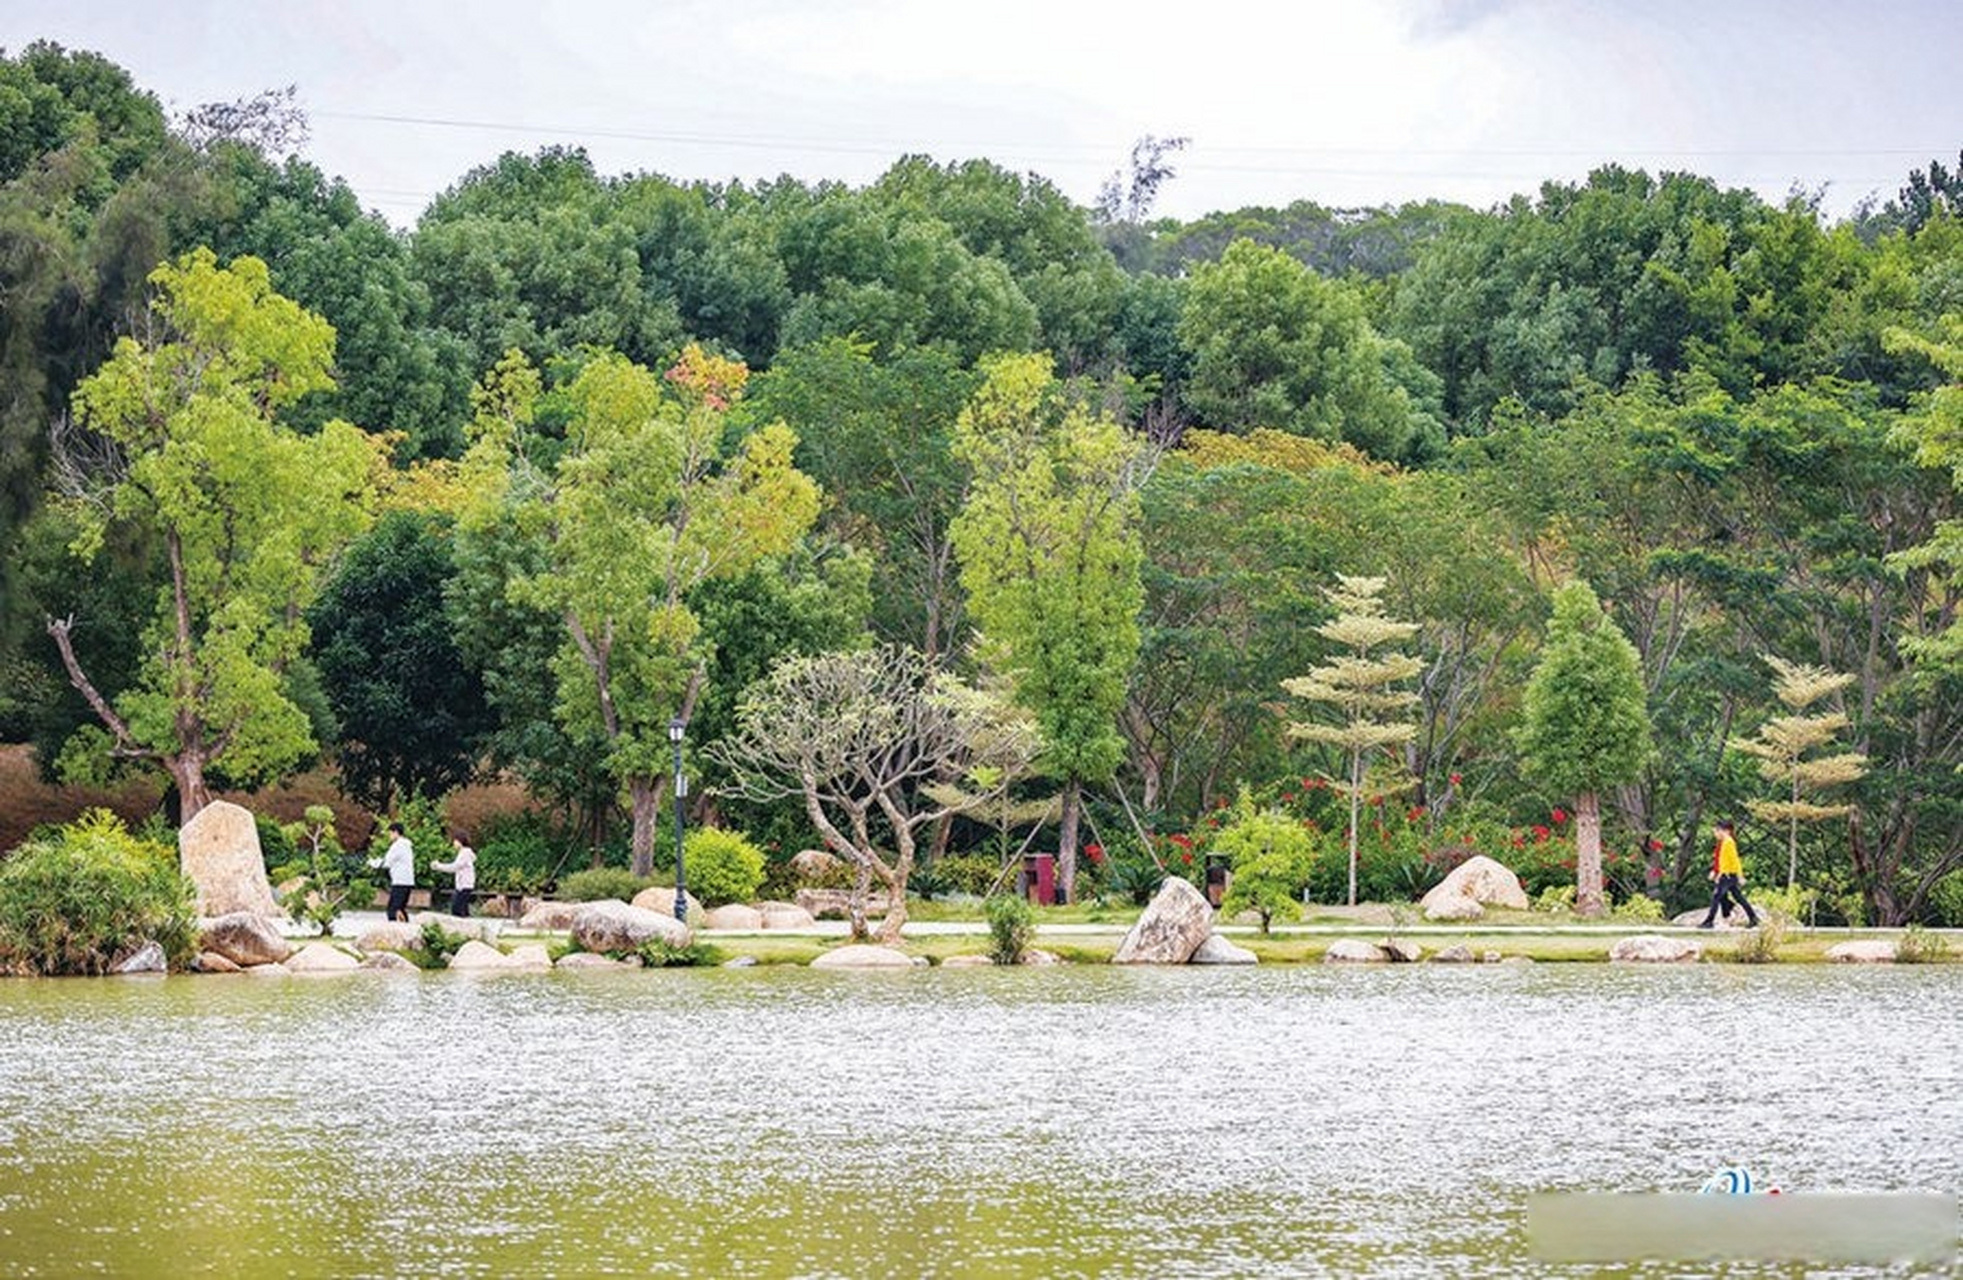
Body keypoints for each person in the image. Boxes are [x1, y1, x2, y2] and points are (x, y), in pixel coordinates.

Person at [1697, 818, 1758, 929]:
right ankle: (1753, 918)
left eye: (1716, 831)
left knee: (1716, 897)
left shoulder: (1729, 842)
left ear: (1724, 831)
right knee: (1737, 897)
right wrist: (1715, 871)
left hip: (1727, 875)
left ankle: (1709, 921)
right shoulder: (1723, 843)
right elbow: (1720, 860)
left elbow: (1734, 860)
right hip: (1727, 874)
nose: (1715, 834)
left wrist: (1739, 875)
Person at [369, 822, 416, 922]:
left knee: (392, 910)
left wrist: (372, 863)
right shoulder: (407, 845)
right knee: (400, 909)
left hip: (400, 881)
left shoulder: (398, 845)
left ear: (396, 832)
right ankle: (408, 930)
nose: (389, 836)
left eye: (390, 833)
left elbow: (387, 862)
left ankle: (396, 932)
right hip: (407, 881)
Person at [432, 831, 476, 918]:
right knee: (462, 910)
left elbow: (454, 867)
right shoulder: (464, 853)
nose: (453, 843)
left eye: (455, 841)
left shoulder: (465, 853)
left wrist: (438, 866)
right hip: (462, 886)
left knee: (457, 910)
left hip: (464, 886)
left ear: (460, 841)